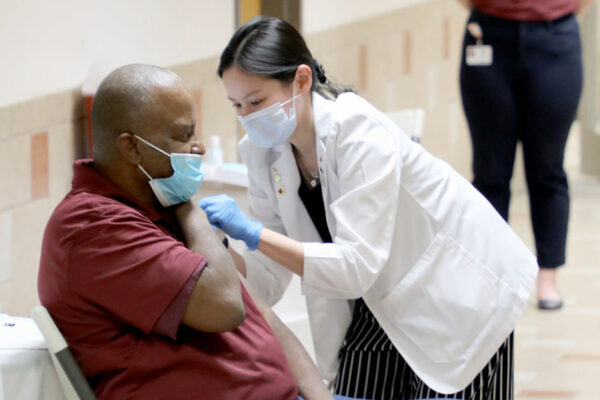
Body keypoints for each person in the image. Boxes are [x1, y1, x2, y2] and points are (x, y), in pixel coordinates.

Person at [199, 16, 538, 400]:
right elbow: (268, 281)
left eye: (257, 101)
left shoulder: (357, 131)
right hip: (375, 302)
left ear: (301, 80)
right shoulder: (261, 153)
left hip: (455, 295)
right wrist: (224, 250)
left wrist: (257, 234)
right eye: (236, 105)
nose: (247, 117)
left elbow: (355, 266)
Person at [37, 63, 356, 400]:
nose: (198, 146)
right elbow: (224, 304)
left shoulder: (154, 204)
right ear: (131, 147)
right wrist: (188, 206)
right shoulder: (92, 226)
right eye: (183, 135)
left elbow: (260, 312)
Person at [458, 0, 595, 310]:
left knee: (548, 167)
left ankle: (548, 277)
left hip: (555, 37)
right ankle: (491, 276)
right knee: (490, 172)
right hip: (488, 34)